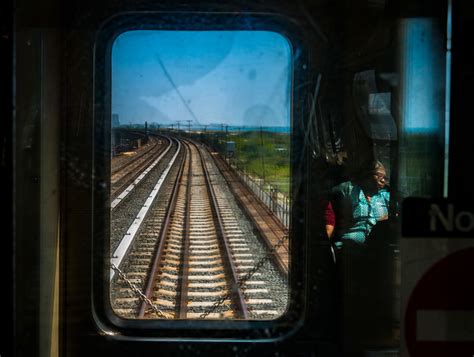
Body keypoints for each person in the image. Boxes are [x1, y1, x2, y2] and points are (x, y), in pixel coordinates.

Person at [325, 160, 390, 246]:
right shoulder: (348, 189)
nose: (382, 181)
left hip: (376, 251)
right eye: (378, 175)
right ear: (367, 176)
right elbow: (327, 197)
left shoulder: (385, 196)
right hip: (348, 249)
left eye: (384, 177)